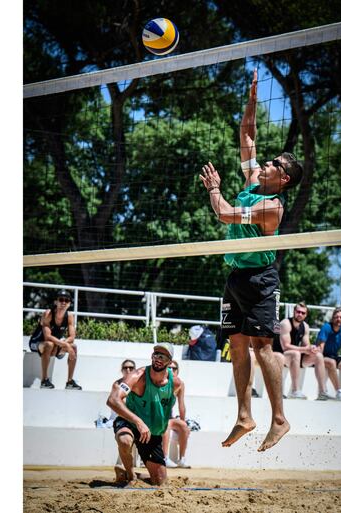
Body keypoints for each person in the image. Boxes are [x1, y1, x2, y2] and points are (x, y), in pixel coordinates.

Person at [198, 68, 304, 452]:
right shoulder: (252, 181)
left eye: (275, 164)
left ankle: (279, 418)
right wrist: (253, 99)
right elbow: (246, 134)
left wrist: (214, 190)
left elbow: (225, 214)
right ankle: (245, 416)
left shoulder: (270, 206)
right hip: (235, 276)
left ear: (284, 179)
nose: (267, 163)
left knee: (263, 346)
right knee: (238, 344)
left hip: (260, 279)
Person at [107, 343, 180, 485]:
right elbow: (112, 400)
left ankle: (130, 475)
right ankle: (130, 474)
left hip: (150, 432)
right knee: (124, 440)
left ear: (169, 362)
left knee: (160, 482)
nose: (158, 358)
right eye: (156, 355)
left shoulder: (175, 383)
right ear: (151, 357)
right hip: (129, 421)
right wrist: (138, 421)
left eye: (162, 356)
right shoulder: (137, 376)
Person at [273, 302, 329, 400]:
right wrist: (305, 349)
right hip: (280, 355)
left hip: (295, 357)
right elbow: (285, 347)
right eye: (298, 312)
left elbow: (306, 345)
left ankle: (322, 392)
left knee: (318, 356)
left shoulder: (305, 326)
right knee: (296, 353)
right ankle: (295, 391)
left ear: (306, 315)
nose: (300, 314)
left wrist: (312, 349)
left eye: (303, 313)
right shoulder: (285, 324)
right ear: (294, 312)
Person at [28, 290, 81, 390]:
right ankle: (44, 381)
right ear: (55, 302)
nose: (63, 302)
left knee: (73, 347)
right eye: (61, 299)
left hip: (54, 344)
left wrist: (65, 345)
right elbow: (47, 336)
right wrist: (64, 345)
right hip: (36, 343)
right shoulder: (48, 314)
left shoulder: (69, 316)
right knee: (49, 344)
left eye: (66, 300)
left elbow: (72, 337)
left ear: (69, 304)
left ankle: (69, 382)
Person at [161, 360, 191, 468]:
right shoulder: (160, 382)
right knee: (166, 425)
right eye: (169, 368)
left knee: (184, 426)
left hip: (169, 417)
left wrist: (183, 422)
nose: (171, 370)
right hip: (156, 416)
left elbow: (181, 405)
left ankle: (182, 459)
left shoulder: (180, 385)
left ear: (177, 371)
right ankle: (164, 458)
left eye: (174, 369)